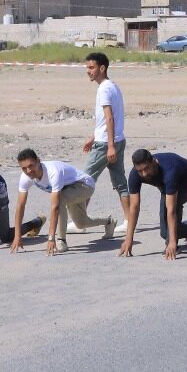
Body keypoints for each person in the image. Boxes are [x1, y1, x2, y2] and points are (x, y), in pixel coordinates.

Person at [11, 148, 115, 256]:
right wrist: (17, 236)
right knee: (81, 223)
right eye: (24, 168)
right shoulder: (25, 177)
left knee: (60, 200)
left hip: (84, 185)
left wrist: (51, 238)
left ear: (38, 161)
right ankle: (109, 221)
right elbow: (20, 206)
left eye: (31, 166)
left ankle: (61, 241)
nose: (28, 171)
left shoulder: (53, 172)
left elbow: (55, 206)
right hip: (68, 189)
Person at [70, 52, 130, 237]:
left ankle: (81, 221)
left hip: (107, 144)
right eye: (87, 67)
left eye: (91, 67)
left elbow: (109, 117)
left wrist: (109, 145)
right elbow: (106, 121)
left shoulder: (104, 89)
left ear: (102, 68)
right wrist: (93, 136)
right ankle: (129, 221)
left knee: (84, 181)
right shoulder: (113, 86)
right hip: (116, 140)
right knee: (120, 183)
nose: (88, 71)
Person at [118, 149, 187, 259]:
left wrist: (172, 242)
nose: (144, 174)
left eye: (146, 168)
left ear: (154, 161)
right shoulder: (135, 175)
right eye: (140, 170)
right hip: (167, 185)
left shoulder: (169, 170)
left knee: (171, 210)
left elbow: (171, 210)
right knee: (164, 232)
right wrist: (128, 239)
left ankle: (173, 243)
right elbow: (134, 207)